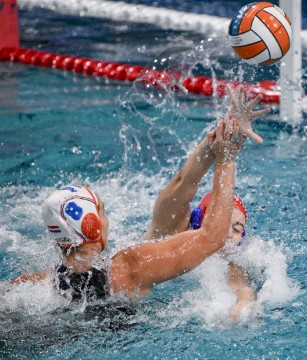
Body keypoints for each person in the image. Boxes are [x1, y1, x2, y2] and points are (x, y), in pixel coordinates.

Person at [10, 87, 269, 316]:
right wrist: (226, 158)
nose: (107, 219)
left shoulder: (35, 284)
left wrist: (216, 139)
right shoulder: (128, 267)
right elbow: (209, 235)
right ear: (91, 226)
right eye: (102, 211)